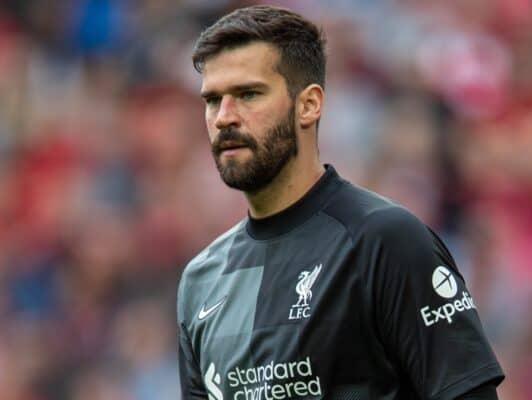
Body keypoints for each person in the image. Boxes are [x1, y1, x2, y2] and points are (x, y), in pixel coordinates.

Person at [177, 5, 504, 400]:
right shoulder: (202, 280)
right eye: (213, 100)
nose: (224, 117)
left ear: (309, 104)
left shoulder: (385, 243)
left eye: (248, 94)